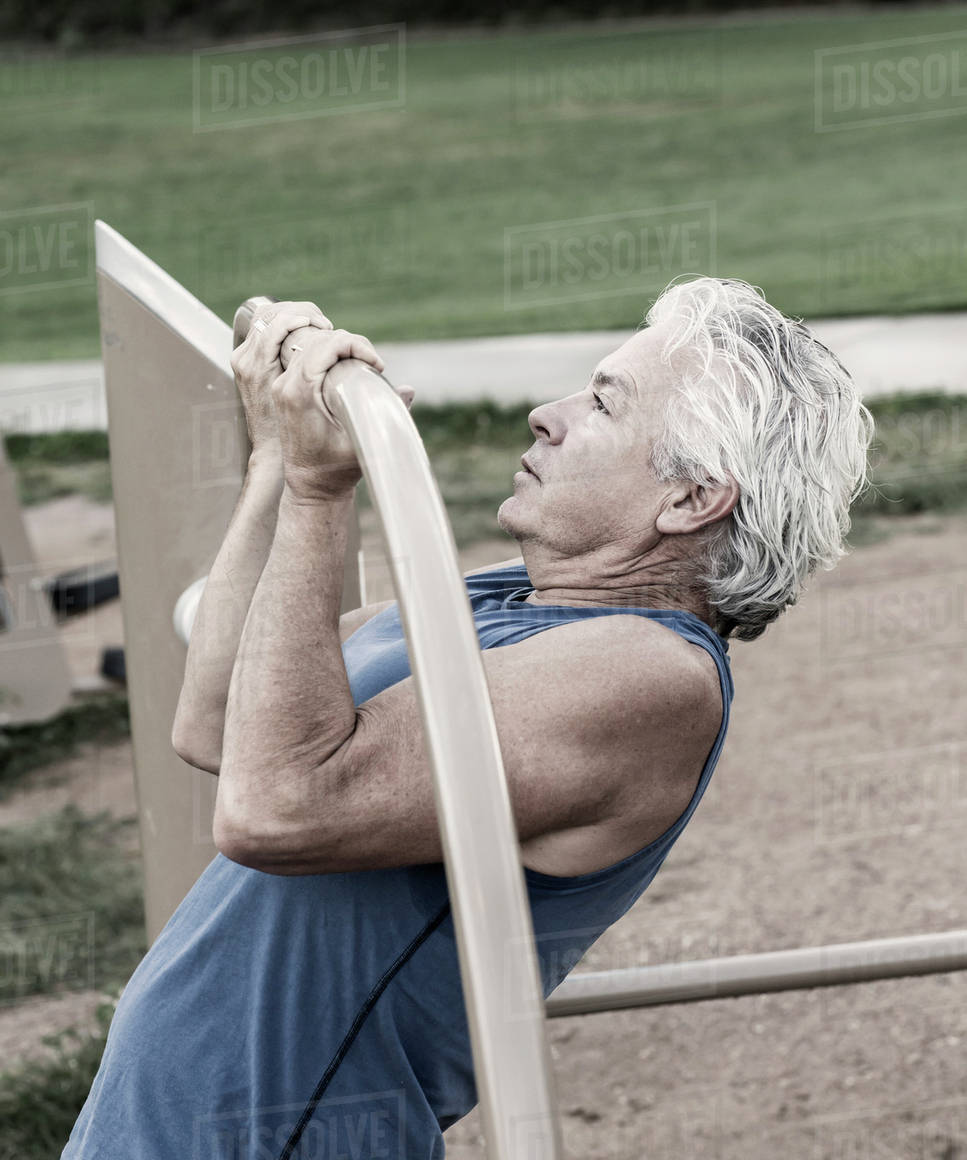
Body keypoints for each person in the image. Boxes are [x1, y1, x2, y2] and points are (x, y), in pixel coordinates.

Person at [61, 276, 874, 1159]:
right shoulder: (509, 598)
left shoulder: (651, 673)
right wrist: (274, 458)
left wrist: (319, 492)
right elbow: (219, 721)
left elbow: (275, 807)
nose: (545, 414)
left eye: (602, 403)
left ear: (688, 500)